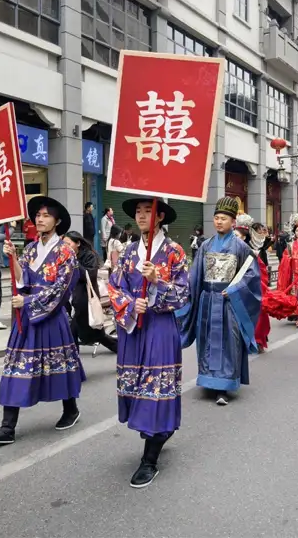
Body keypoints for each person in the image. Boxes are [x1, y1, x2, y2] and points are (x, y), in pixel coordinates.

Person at [0, 197, 84, 445]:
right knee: (16, 367)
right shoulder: (30, 249)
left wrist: (28, 302)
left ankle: (71, 409)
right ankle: (7, 427)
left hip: (50, 316)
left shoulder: (66, 252)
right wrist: (13, 259)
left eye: (46, 215)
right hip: (26, 319)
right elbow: (22, 280)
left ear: (57, 221)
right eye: (37, 214)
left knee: (58, 366)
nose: (40, 218)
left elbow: (61, 289)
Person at [107, 198, 189, 488]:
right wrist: (130, 304)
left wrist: (157, 281)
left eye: (147, 211)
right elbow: (114, 286)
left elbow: (182, 295)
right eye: (138, 212)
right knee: (136, 387)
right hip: (134, 328)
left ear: (161, 216)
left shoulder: (174, 252)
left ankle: (149, 460)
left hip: (160, 328)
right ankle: (157, 432)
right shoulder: (129, 251)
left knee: (156, 388)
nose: (141, 216)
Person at [179, 197, 261, 406]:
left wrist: (234, 289)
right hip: (207, 300)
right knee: (206, 340)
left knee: (228, 342)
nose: (218, 222)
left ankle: (224, 387)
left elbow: (251, 275)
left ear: (233, 222)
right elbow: (196, 275)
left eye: (223, 218)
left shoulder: (241, 247)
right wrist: (187, 296)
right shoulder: (206, 246)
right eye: (216, 218)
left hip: (229, 303)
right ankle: (209, 380)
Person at [64, 230, 117, 353]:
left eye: (68, 244)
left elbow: (89, 275)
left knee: (73, 332)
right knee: (96, 334)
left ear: (77, 243)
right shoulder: (66, 257)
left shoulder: (88, 256)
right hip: (73, 299)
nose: (65, 247)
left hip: (86, 300)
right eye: (64, 245)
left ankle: (74, 362)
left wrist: (73, 262)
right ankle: (120, 348)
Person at [235, 215, 272, 351]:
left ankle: (256, 340)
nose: (235, 237)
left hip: (250, 289)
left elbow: (261, 275)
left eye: (238, 235)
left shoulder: (253, 254)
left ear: (244, 237)